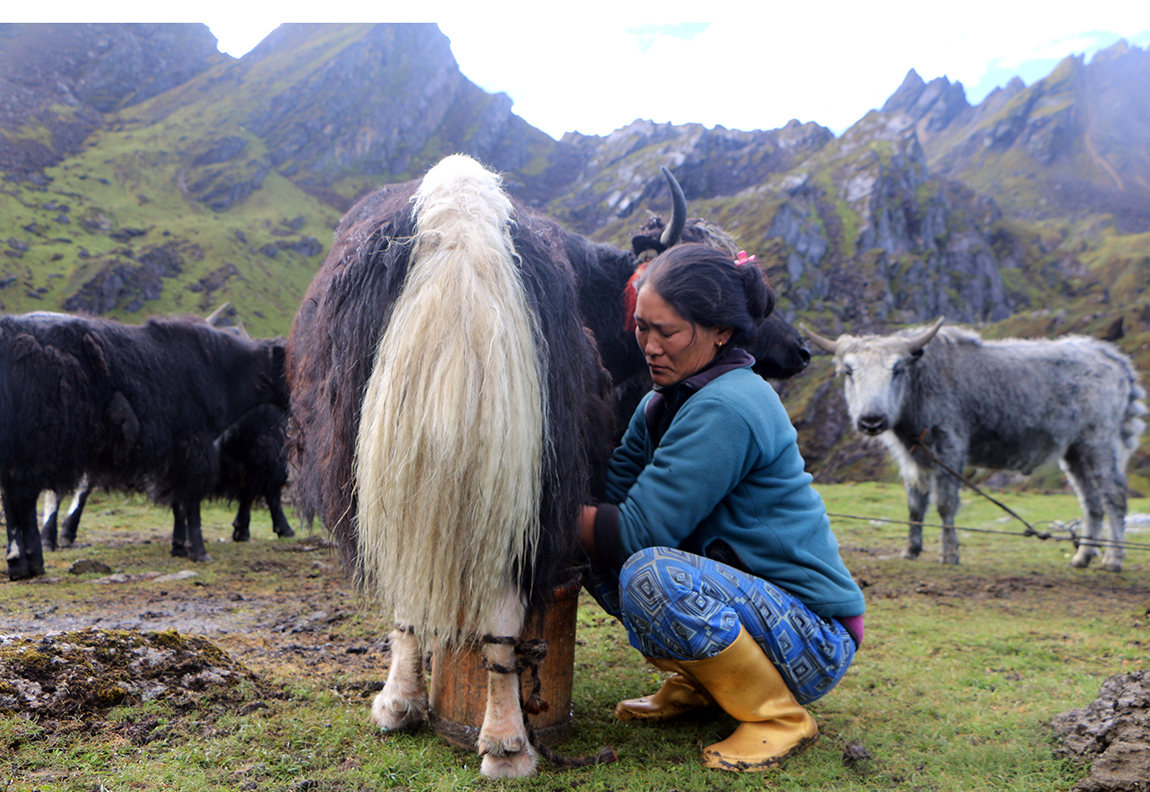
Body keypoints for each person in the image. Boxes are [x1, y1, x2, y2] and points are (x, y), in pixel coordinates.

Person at [579, 242, 865, 772]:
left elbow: (637, 530)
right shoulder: (660, 402)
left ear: (721, 332)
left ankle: (778, 716)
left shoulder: (730, 404)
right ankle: (700, 684)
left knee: (650, 571)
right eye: (642, 327)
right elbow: (613, 495)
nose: (650, 346)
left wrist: (542, 515)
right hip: (757, 610)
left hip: (814, 637)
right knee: (594, 560)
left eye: (668, 331)